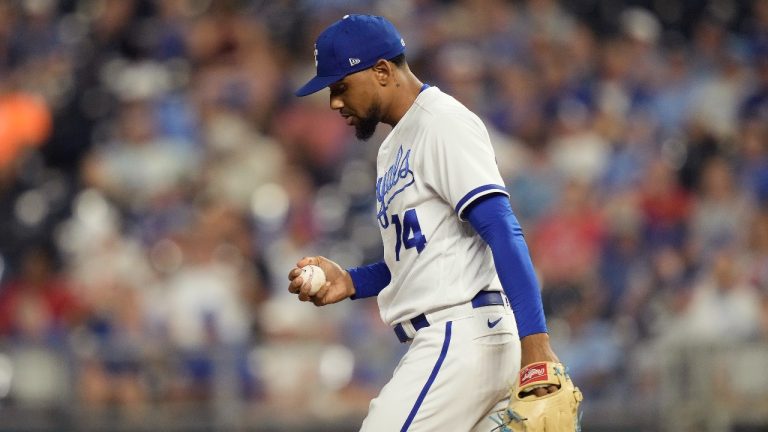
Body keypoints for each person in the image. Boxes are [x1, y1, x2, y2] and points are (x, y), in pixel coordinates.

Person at [288, 14, 562, 431]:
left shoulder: (442, 122)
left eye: (340, 86)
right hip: (463, 340)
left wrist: (537, 343)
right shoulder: (395, 144)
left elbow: (501, 229)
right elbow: (428, 253)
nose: (334, 103)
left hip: (461, 336)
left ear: (381, 71)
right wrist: (351, 281)